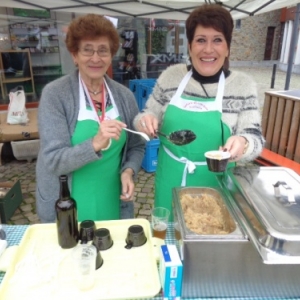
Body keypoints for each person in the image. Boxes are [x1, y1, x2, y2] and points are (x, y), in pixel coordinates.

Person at [134, 4, 265, 220]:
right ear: (190, 45)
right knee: (166, 244)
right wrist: (144, 121)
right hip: (170, 180)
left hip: (216, 186)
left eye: (217, 40)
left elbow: (255, 138)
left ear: (227, 47)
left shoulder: (243, 86)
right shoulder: (170, 77)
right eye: (201, 40)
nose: (208, 49)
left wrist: (244, 142)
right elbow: (145, 115)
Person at [36, 14, 145, 223]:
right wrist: (95, 143)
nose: (96, 58)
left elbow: (136, 146)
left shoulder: (124, 96)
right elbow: (53, 160)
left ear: (111, 54)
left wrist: (128, 171)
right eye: (87, 50)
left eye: (103, 50)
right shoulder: (55, 94)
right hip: (68, 205)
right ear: (75, 55)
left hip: (112, 200)